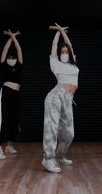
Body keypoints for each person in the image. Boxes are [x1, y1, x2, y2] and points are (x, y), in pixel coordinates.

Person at [42, 23, 79, 173]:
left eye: (66, 52)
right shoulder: (55, 62)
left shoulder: (73, 64)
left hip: (68, 99)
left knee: (69, 133)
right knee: (51, 128)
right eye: (62, 51)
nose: (64, 53)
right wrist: (57, 32)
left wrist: (64, 31)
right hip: (56, 96)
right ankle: (48, 159)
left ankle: (59, 156)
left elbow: (69, 44)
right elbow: (54, 45)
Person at [0, 29, 23, 160]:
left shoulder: (19, 65)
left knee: (14, 121)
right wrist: (10, 37)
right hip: (6, 92)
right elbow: (5, 49)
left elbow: (19, 51)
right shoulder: (4, 65)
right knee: (3, 119)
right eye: (9, 58)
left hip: (16, 94)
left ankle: (9, 145)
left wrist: (14, 38)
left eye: (13, 57)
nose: (11, 59)